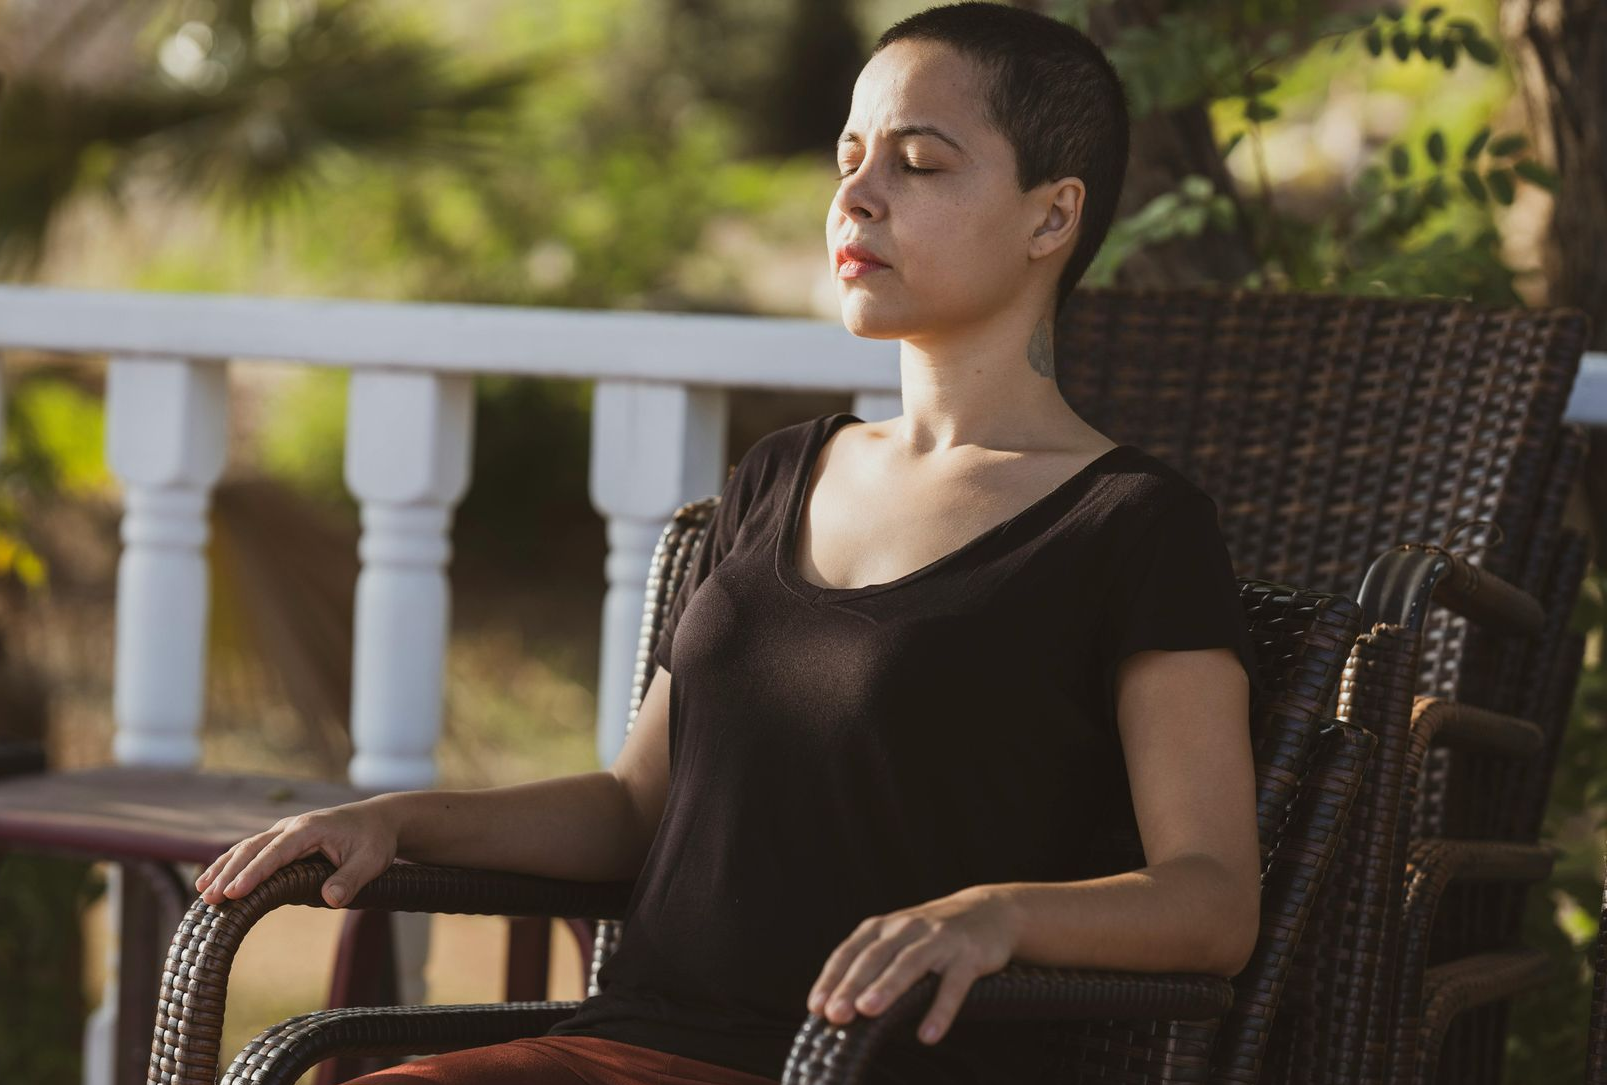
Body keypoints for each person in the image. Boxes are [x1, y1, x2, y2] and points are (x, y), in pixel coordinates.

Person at [194, 3, 1264, 1083]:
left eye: (920, 163)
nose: (857, 195)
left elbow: (1213, 897)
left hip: (857, 1063)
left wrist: (994, 917)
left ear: (1051, 218)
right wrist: (397, 817)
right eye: (850, 157)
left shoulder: (1131, 523)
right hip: (624, 1045)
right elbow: (632, 809)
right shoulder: (778, 474)